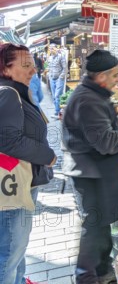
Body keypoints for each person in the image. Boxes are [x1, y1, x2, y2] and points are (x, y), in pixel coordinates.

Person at [62, 50, 118, 284]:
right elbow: (105, 142)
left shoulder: (93, 94)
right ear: (101, 76)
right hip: (90, 173)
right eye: (114, 74)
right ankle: (88, 277)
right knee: (94, 228)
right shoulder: (88, 100)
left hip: (93, 170)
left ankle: (101, 272)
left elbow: (99, 133)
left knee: (100, 227)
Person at [0, 43, 56, 284]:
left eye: (33, 64)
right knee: (9, 252)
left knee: (17, 247)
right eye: (26, 65)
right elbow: (8, 140)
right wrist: (48, 156)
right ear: (6, 69)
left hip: (22, 182)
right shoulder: (8, 94)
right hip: (14, 185)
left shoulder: (18, 91)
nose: (33, 70)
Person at [47, 44, 67, 117]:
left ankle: (57, 112)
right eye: (50, 48)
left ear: (56, 48)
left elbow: (65, 68)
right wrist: (49, 75)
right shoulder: (50, 58)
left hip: (59, 79)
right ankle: (57, 111)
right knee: (54, 96)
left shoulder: (61, 56)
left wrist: (61, 77)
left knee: (57, 95)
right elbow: (49, 67)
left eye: (52, 48)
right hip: (52, 78)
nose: (51, 49)